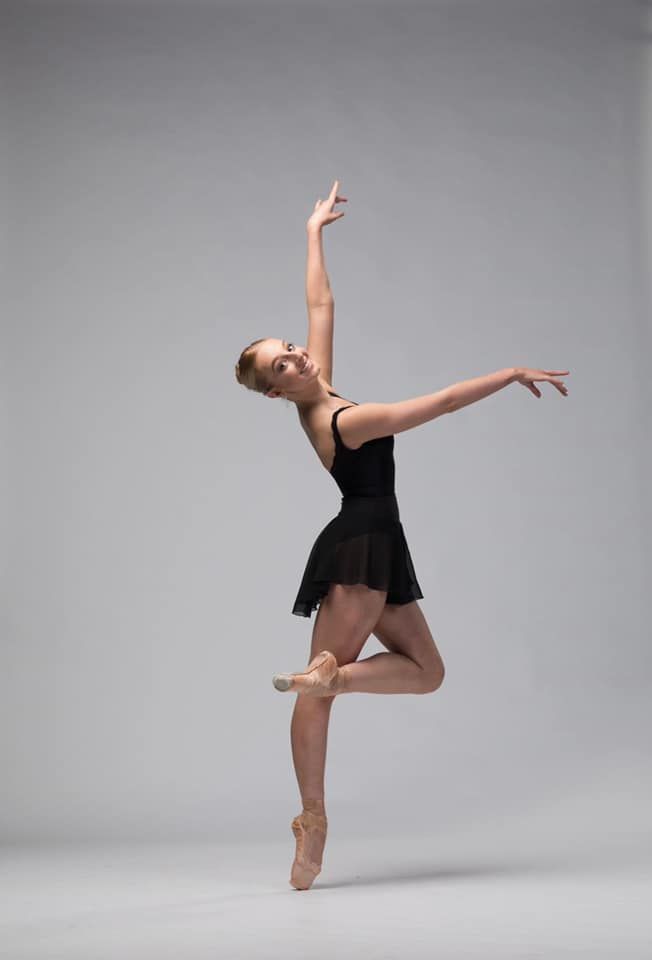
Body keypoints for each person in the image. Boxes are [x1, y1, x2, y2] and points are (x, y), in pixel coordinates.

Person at [234, 179, 570, 890]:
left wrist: (313, 232)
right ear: (274, 392)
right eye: (282, 365)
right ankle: (312, 822)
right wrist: (508, 372)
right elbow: (442, 403)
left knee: (427, 673)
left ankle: (331, 677)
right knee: (315, 695)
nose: (298, 356)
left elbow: (321, 305)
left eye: (291, 348)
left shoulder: (320, 396)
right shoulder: (343, 420)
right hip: (359, 546)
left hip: (376, 543)